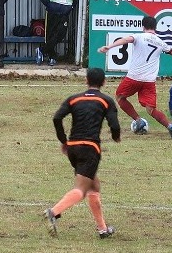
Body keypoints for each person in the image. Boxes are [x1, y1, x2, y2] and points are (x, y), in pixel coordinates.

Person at [44, 67, 121, 238]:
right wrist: (116, 136)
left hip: (73, 148)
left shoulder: (74, 99)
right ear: (103, 82)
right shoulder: (106, 100)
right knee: (82, 189)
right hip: (90, 148)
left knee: (94, 185)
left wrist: (64, 141)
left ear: (86, 81)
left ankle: (103, 229)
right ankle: (54, 212)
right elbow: (114, 124)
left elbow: (57, 118)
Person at [98, 16, 172, 138]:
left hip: (134, 77)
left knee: (120, 97)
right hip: (149, 81)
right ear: (155, 28)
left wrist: (109, 47)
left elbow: (125, 40)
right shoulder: (160, 42)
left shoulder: (138, 36)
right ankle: (169, 126)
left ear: (143, 27)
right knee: (151, 109)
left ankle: (138, 120)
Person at [38, 0, 78, 66]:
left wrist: (72, 7)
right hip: (52, 13)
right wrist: (50, 5)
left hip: (64, 14)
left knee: (61, 34)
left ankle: (41, 50)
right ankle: (52, 57)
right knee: (50, 35)